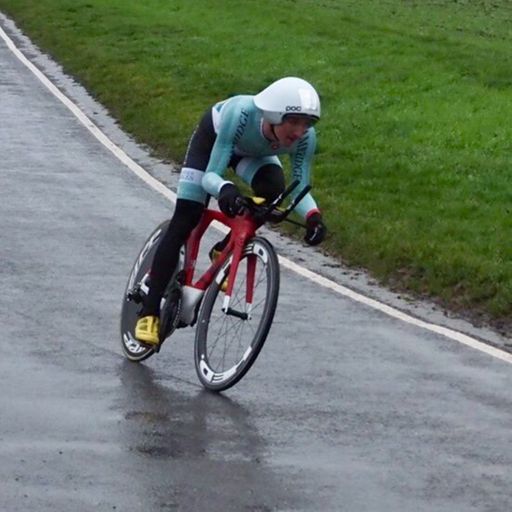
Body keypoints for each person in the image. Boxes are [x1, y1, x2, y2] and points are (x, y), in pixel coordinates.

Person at [135, 76, 327, 345]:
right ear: (273, 115)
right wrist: (225, 189)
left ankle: (224, 248)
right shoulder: (240, 113)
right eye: (293, 121)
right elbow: (210, 175)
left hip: (251, 152)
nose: (299, 131)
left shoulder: (305, 138)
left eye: (306, 123)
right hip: (213, 142)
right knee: (186, 217)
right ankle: (149, 311)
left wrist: (313, 217)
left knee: (273, 192)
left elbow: (300, 187)